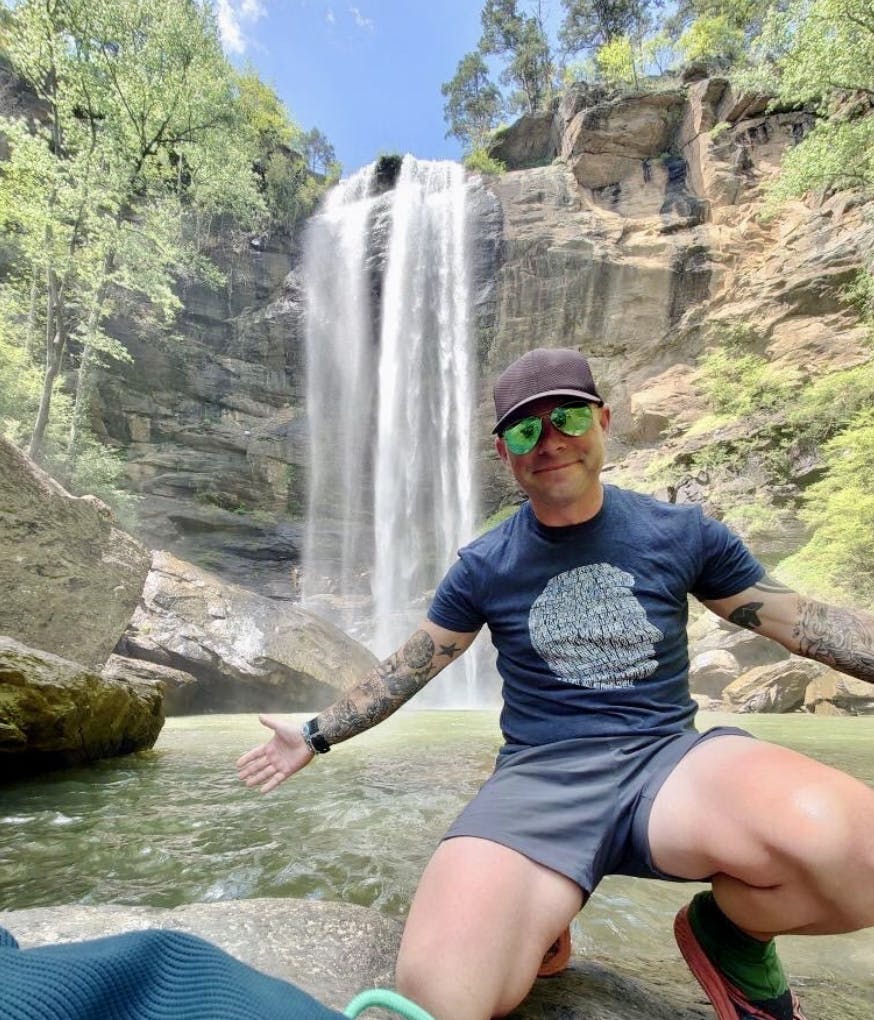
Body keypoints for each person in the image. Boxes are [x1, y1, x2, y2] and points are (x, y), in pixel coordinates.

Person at [237, 347, 874, 1020]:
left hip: (671, 765)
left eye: (567, 417)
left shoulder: (682, 534)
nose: (550, 442)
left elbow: (800, 620)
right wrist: (314, 733)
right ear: (504, 454)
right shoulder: (484, 564)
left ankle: (731, 938)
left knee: (857, 848)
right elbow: (414, 663)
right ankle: (541, 915)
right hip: (540, 781)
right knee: (439, 997)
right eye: (524, 430)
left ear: (603, 419)